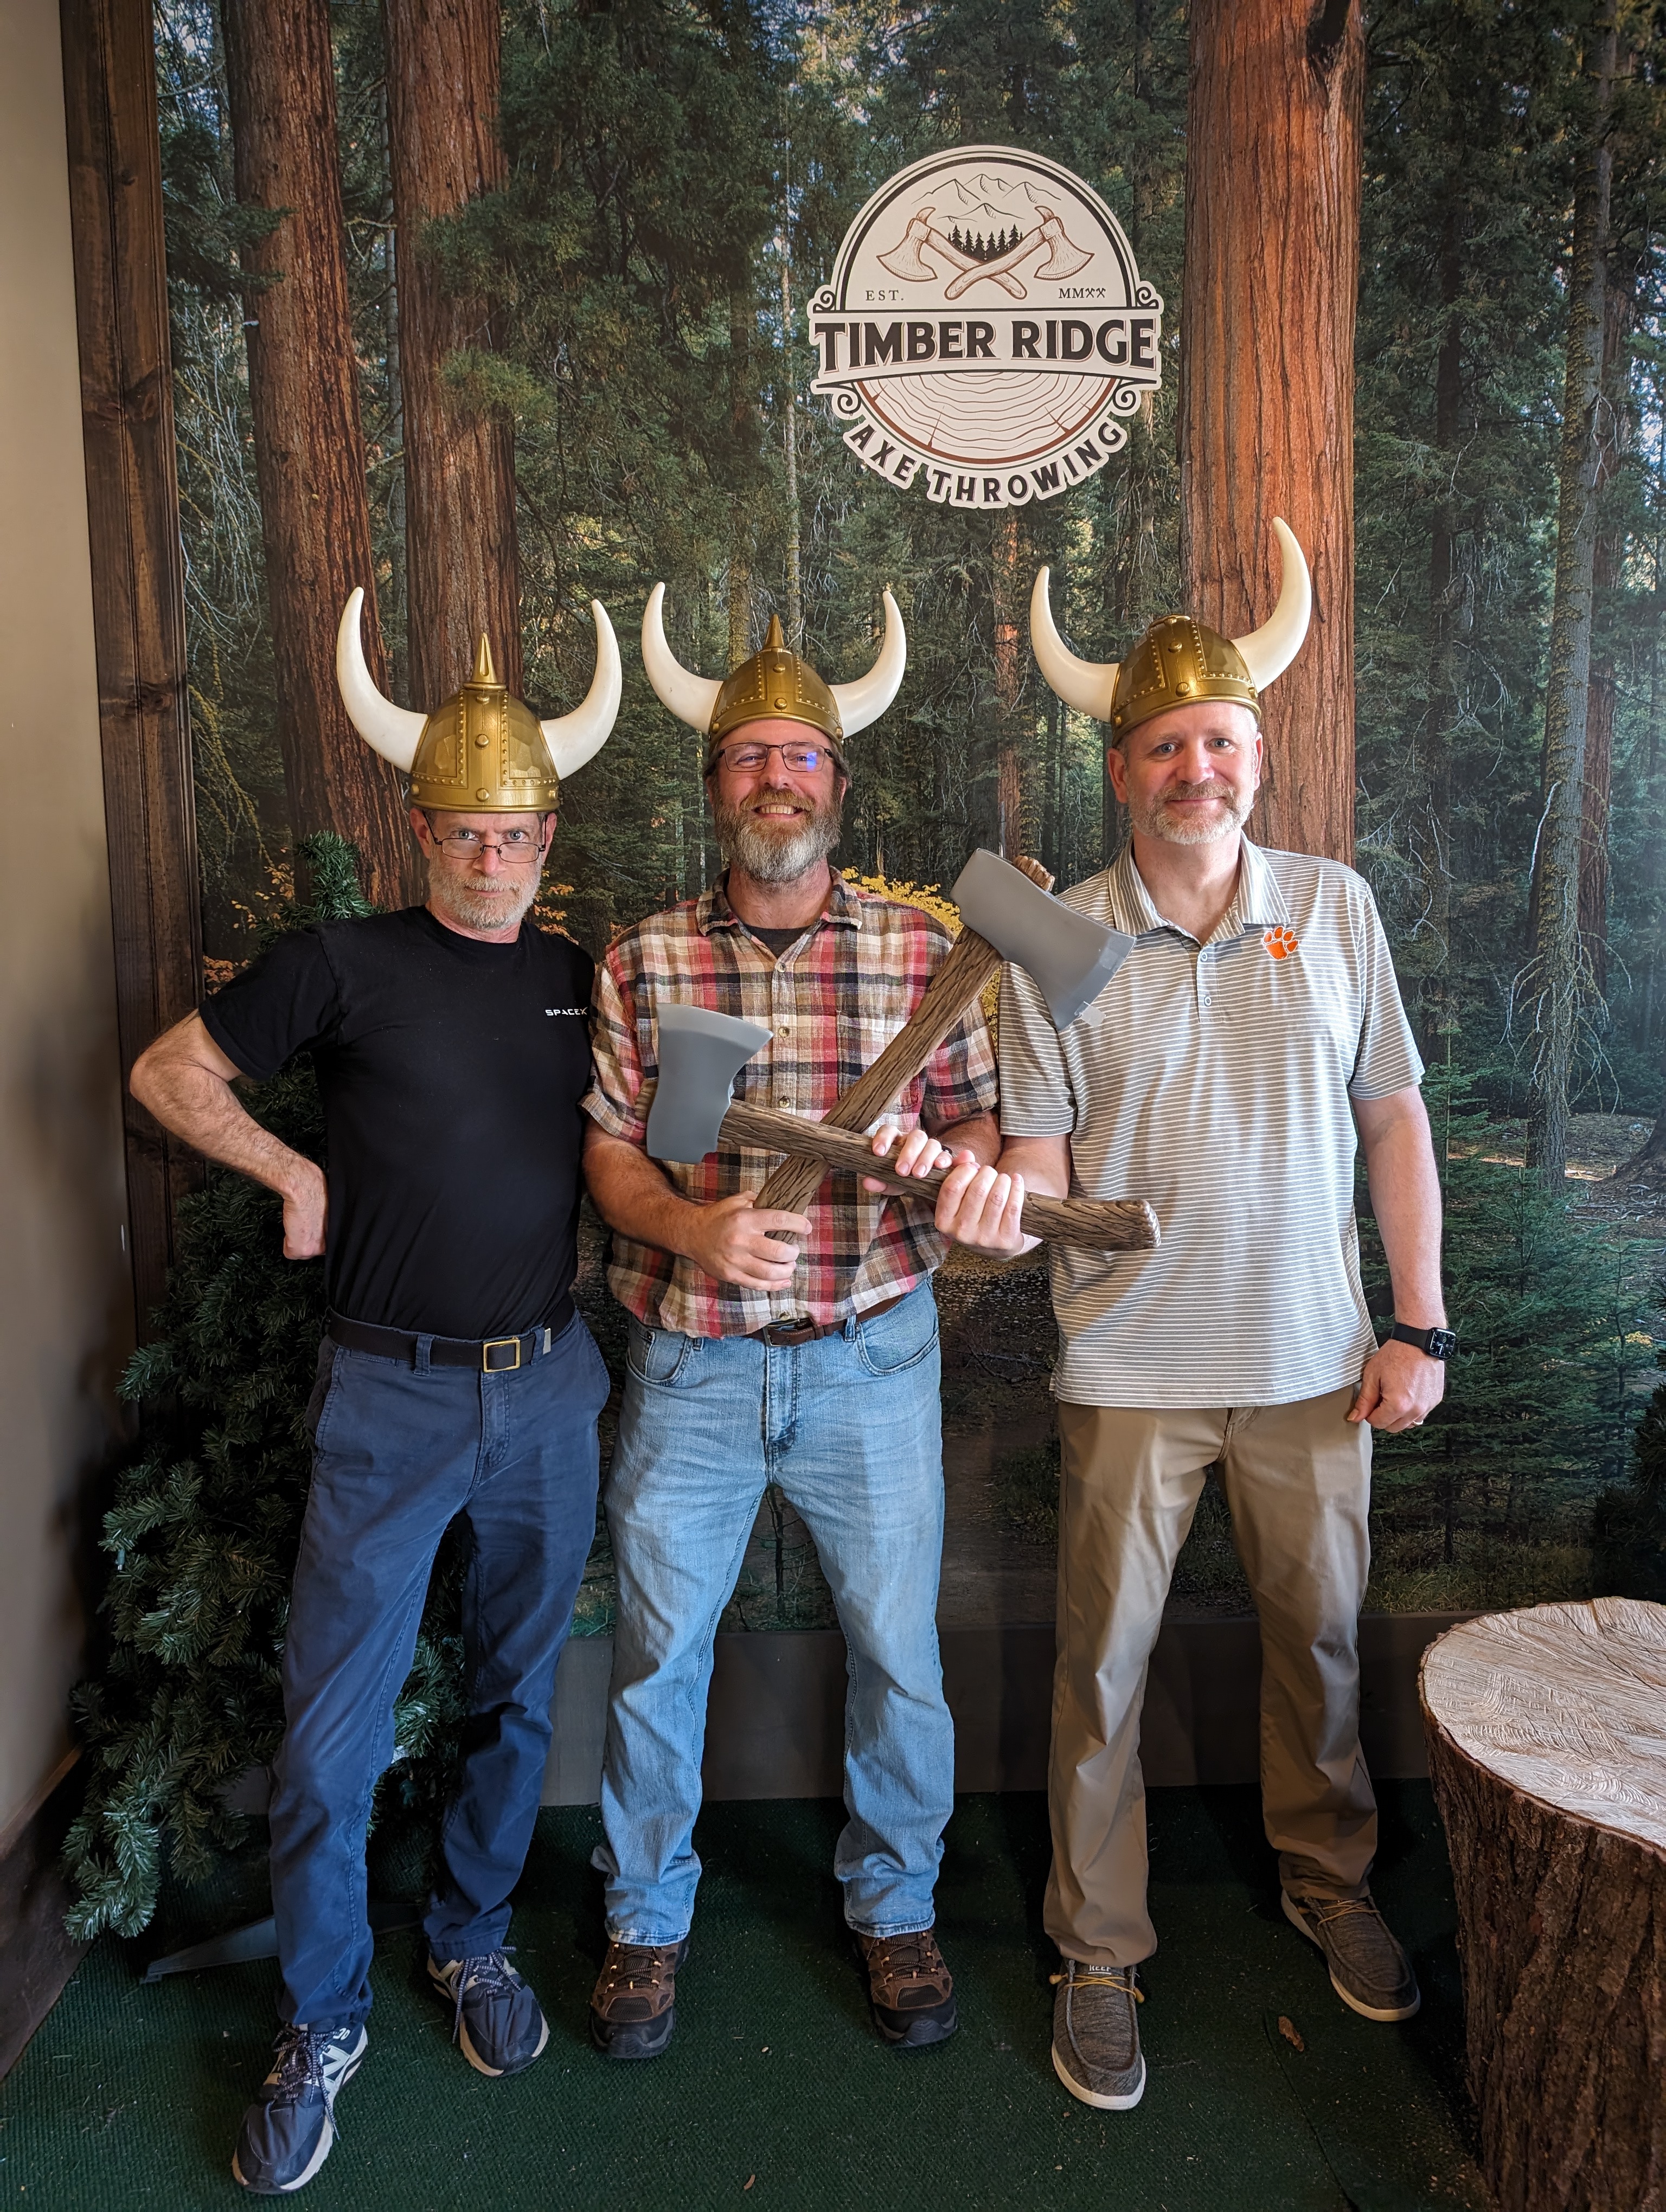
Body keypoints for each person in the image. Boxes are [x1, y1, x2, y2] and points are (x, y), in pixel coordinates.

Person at [932, 523, 1451, 2113]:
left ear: (1257, 754)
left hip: (1311, 1362)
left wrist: (1416, 1325)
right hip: (1132, 1369)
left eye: (1220, 739)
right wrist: (967, 1198)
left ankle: (1330, 1880)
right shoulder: (1057, 941)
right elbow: (1037, 1167)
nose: (1197, 765)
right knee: (1103, 1674)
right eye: (1166, 744)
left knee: (1325, 1643)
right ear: (1121, 768)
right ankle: (1099, 1949)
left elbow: (1394, 1121)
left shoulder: (1334, 905)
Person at [129, 599, 620, 2195]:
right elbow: (165, 1074)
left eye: (521, 829)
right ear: (421, 831)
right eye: (469, 830)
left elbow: (638, 1143)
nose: (497, 853)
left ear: (552, 834)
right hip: (387, 1399)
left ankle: (471, 1943)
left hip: (548, 1389)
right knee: (331, 1737)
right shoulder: (340, 963)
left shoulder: (579, 974)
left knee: (516, 1696)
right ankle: (321, 2016)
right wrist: (287, 1168)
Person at [578, 593, 999, 2059]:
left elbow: (979, 1131)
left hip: (871, 1356)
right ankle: (644, 1919)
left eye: (800, 758)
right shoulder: (642, 961)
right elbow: (611, 1153)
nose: (776, 779)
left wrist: (972, 1184)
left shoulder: (920, 957)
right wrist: (693, 1226)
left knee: (898, 1654)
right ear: (715, 791)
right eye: (750, 756)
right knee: (655, 1654)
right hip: (692, 1361)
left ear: (834, 783)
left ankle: (894, 1909)